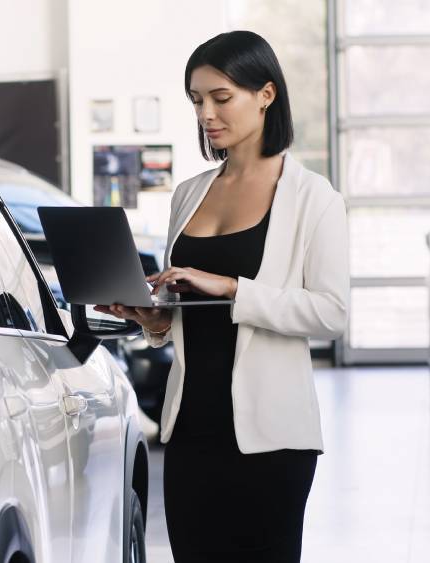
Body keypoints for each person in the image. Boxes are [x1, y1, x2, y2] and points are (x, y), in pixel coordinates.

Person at [94, 30, 350, 561]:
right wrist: (152, 318)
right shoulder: (189, 194)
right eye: (196, 100)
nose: (207, 113)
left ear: (266, 94)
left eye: (220, 97)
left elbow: (332, 313)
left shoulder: (313, 198)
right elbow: (186, 315)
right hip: (190, 427)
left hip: (272, 437)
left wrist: (233, 288)